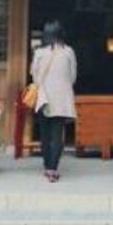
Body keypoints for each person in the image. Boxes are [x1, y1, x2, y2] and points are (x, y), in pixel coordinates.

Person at [29, 20, 77, 183]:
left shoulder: (39, 53)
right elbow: (72, 76)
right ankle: (53, 168)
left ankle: (47, 165)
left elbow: (34, 76)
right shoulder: (68, 52)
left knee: (44, 134)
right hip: (62, 98)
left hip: (44, 98)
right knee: (57, 134)